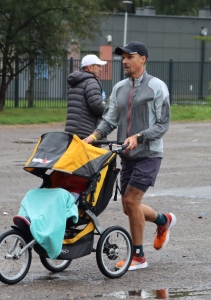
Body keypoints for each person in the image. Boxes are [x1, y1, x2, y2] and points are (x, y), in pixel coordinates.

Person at [82, 41, 176, 270]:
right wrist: (93, 137)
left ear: (142, 59)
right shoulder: (119, 88)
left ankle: (138, 257)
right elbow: (110, 119)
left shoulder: (157, 86)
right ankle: (164, 221)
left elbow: (163, 124)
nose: (124, 61)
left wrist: (139, 136)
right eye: (122, 57)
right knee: (128, 206)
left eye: (129, 57)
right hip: (127, 155)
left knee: (132, 201)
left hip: (149, 153)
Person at [65, 54, 107, 139]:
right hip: (86, 131)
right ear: (90, 67)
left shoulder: (75, 81)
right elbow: (96, 106)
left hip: (72, 130)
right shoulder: (91, 82)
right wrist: (106, 108)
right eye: (98, 66)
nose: (100, 69)